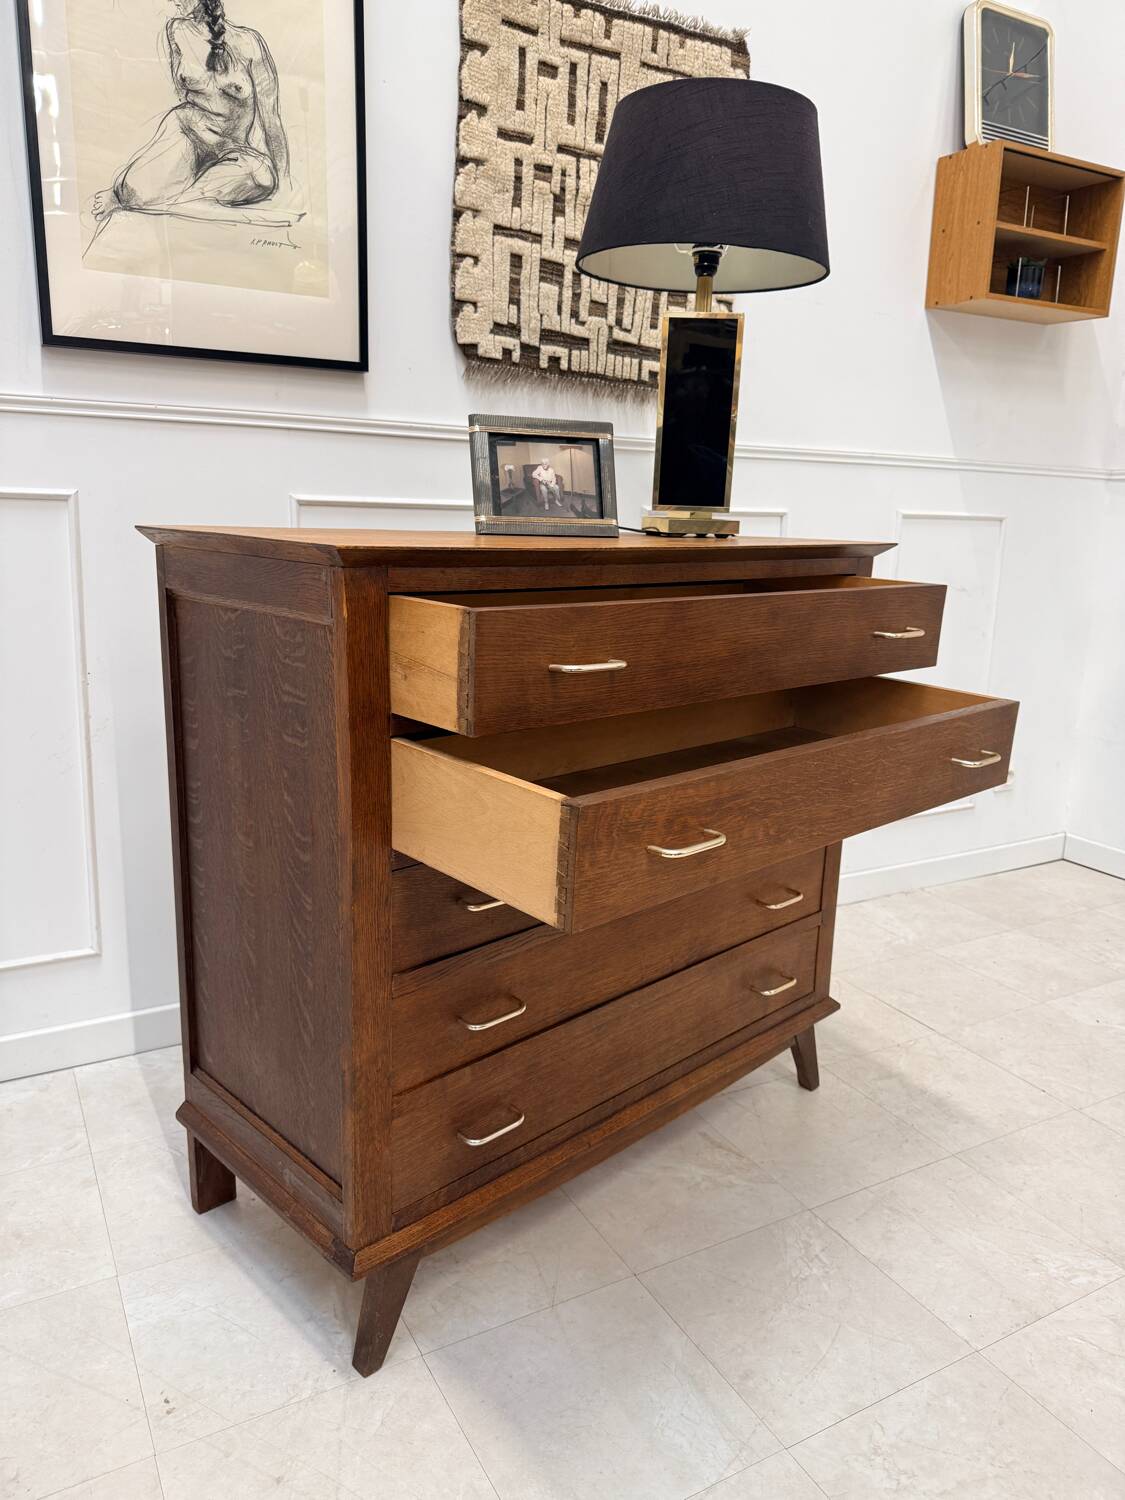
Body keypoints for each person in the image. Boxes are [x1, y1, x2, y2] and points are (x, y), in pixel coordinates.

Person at [89, 0, 295, 239]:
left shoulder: (250, 43)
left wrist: (284, 182)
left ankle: (172, 201)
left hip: (236, 148)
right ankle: (122, 195)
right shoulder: (176, 30)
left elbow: (271, 119)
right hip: (187, 131)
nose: (175, 1)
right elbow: (186, 94)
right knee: (133, 194)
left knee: (262, 179)